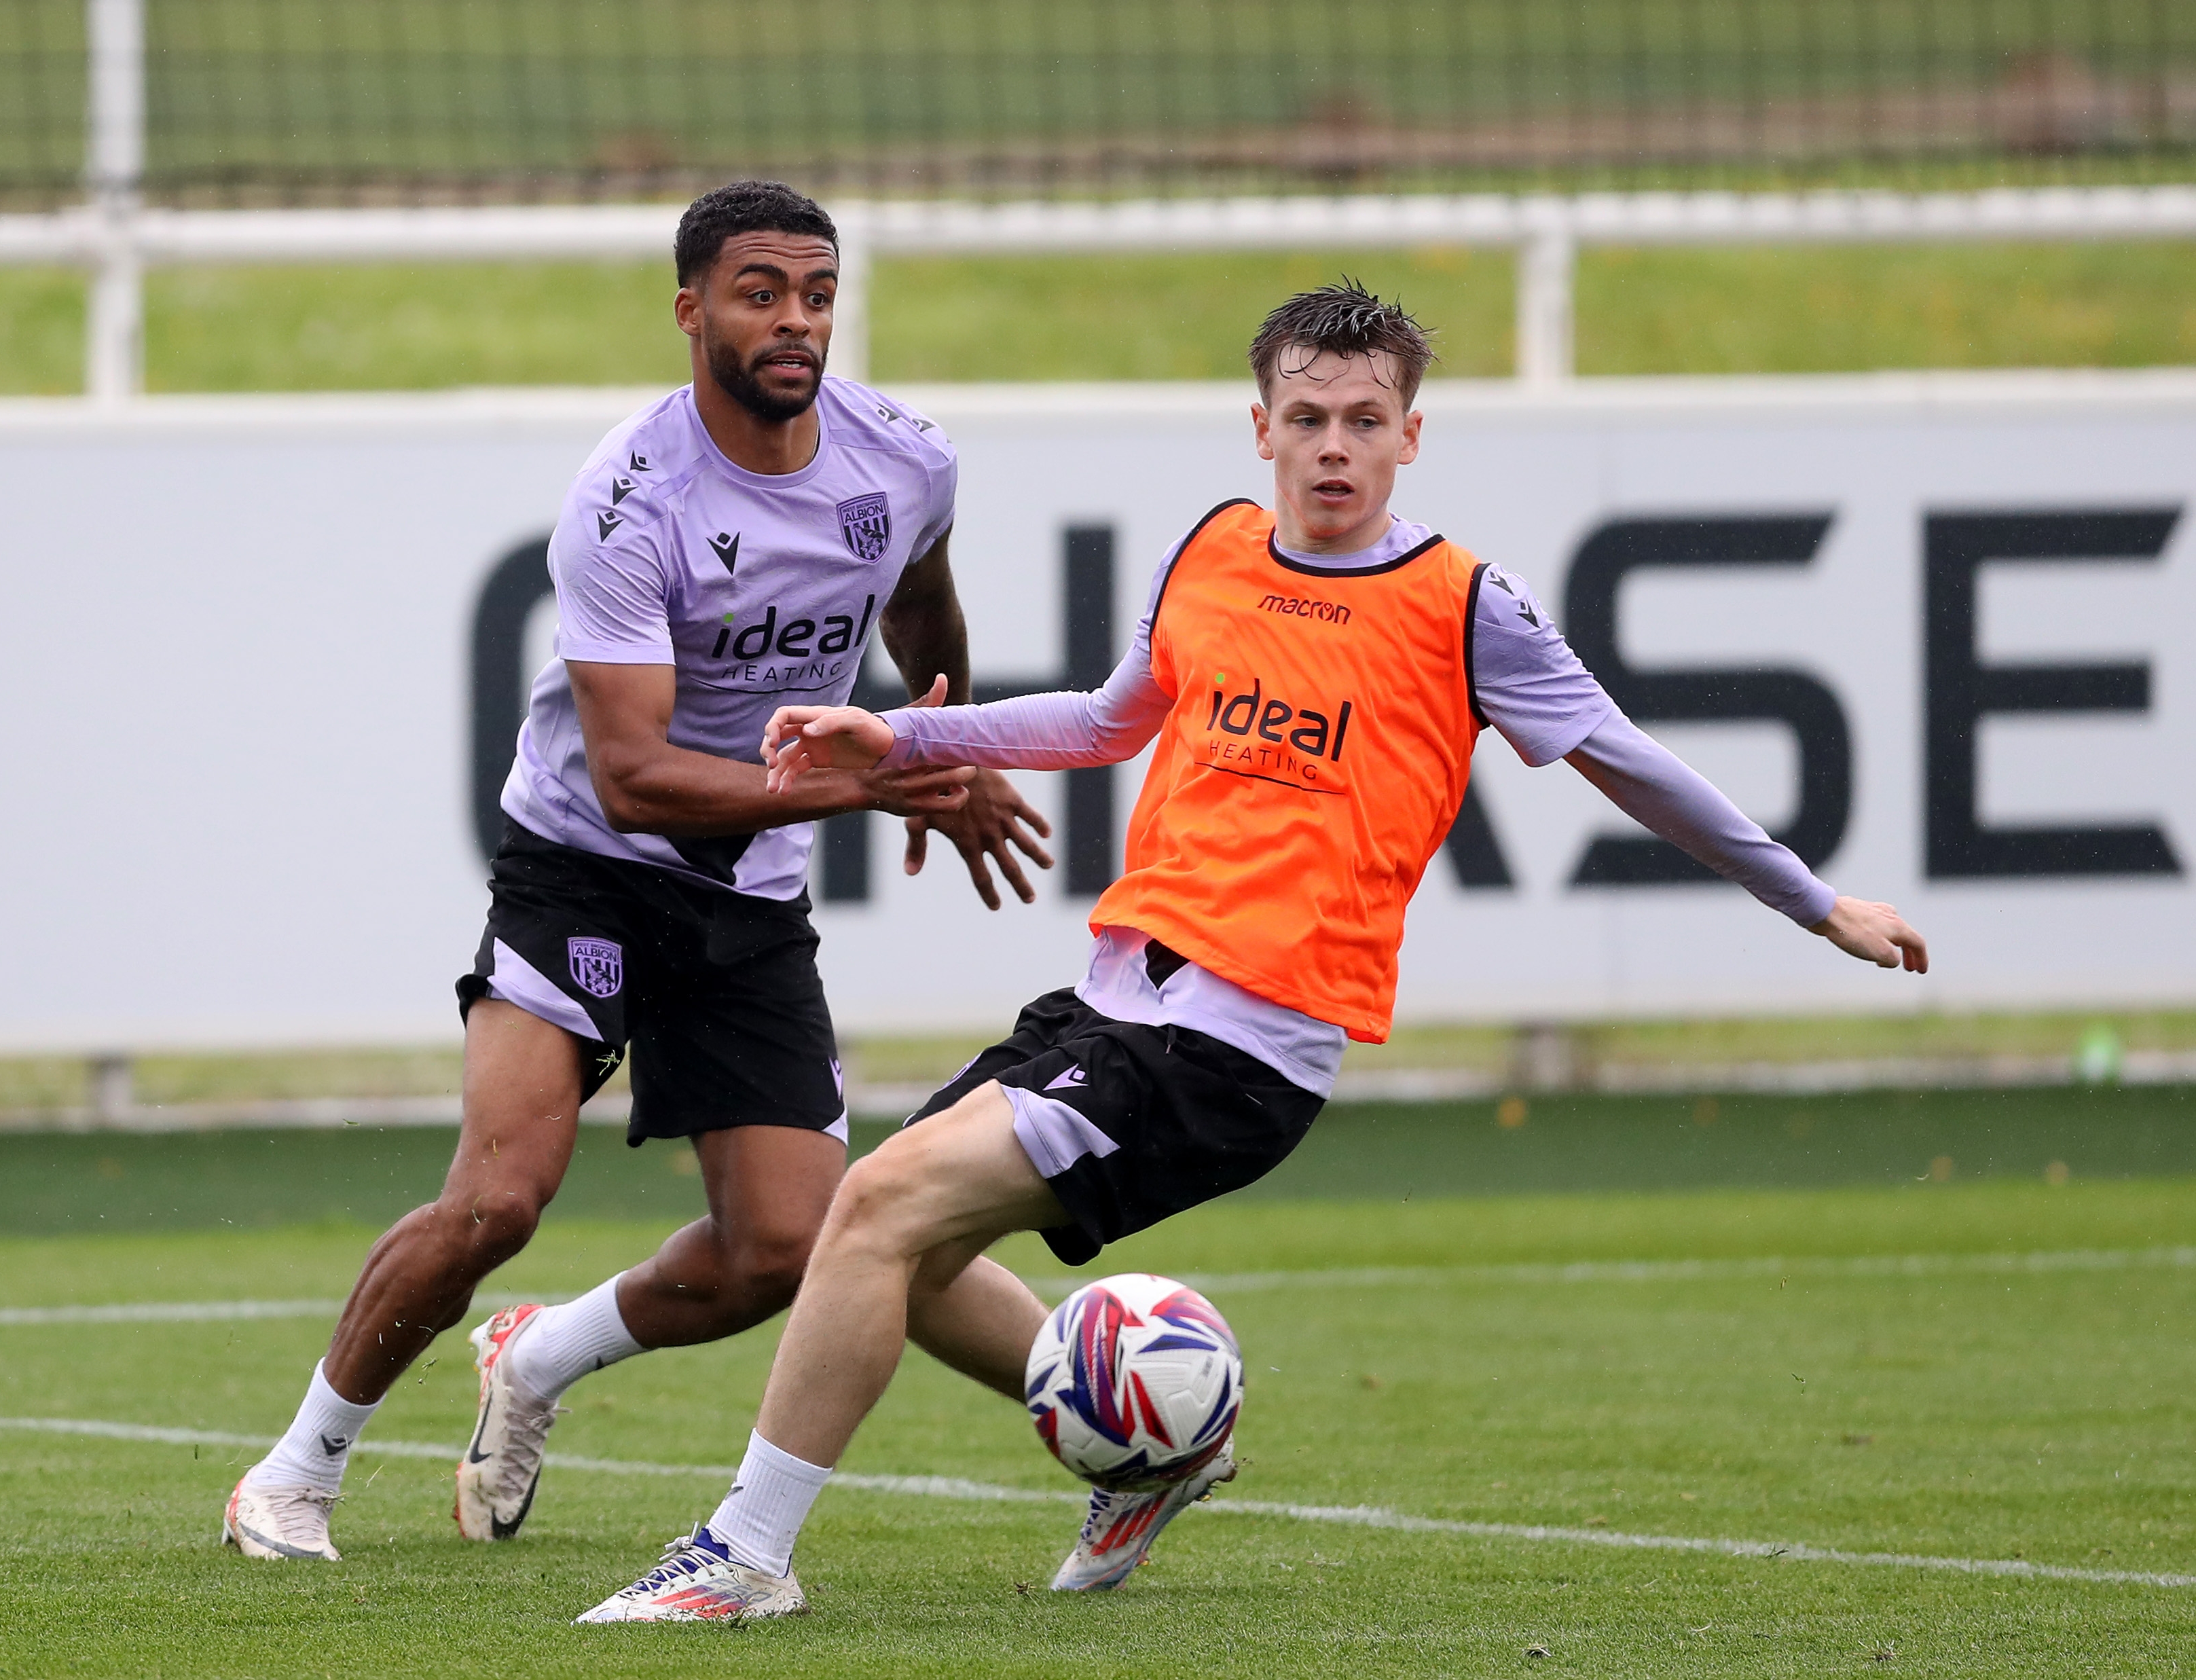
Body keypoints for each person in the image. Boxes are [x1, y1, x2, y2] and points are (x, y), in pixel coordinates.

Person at [576, 279, 1929, 1621]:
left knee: (870, 1208)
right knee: (893, 1252)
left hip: (1238, 1045)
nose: (1332, 445)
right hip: (1113, 1000)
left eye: (1361, 419)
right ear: (1259, 427)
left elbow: (1628, 764)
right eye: (1306, 417)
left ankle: (742, 1555)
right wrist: (906, 735)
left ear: (1410, 436)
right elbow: (1110, 719)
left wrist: (1814, 903)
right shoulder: (1215, 548)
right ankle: (1159, 1447)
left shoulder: (1463, 605)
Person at [223, 181, 1055, 1562]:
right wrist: (877, 777)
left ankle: (539, 1355)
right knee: (499, 1196)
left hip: (751, 889)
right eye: (757, 293)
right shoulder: (628, 498)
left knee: (787, 1247)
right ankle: (295, 1468)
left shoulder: (904, 462)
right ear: (691, 311)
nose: (793, 321)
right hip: (587, 867)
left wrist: (937, 737)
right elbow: (637, 777)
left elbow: (919, 604)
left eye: (815, 293)